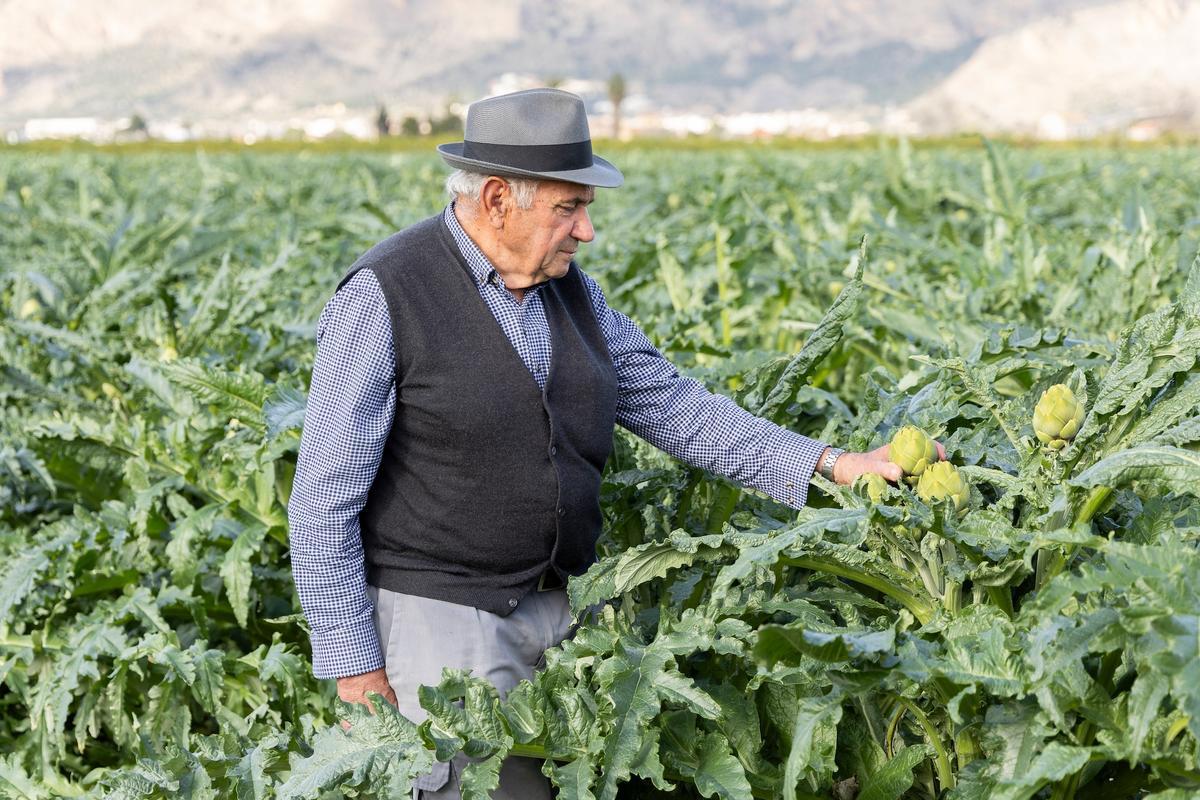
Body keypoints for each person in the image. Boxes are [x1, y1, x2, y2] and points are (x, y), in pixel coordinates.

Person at [287, 88, 931, 799]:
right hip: (444, 619)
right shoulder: (386, 294)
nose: (586, 230)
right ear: (499, 198)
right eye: (570, 207)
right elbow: (322, 500)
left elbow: (681, 409)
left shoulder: (573, 295)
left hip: (570, 612)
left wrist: (832, 464)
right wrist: (354, 665)